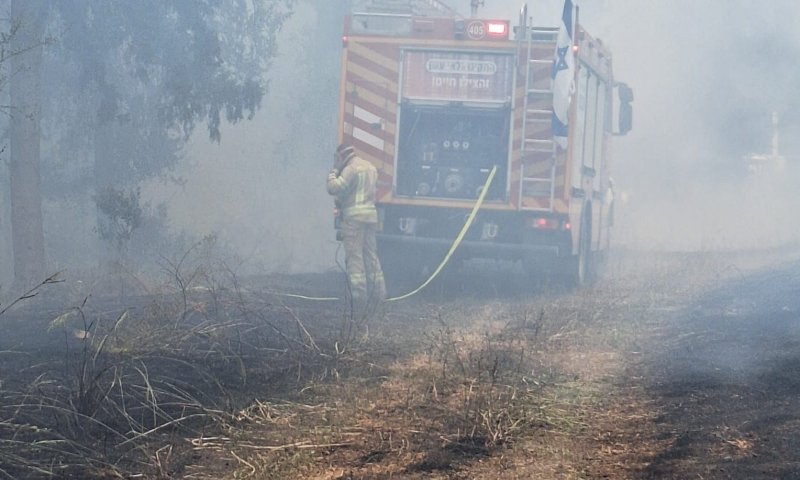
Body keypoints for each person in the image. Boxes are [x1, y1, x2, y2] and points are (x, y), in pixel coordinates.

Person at [326, 143, 386, 308]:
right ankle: (379, 295)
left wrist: (334, 171)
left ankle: (359, 298)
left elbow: (334, 188)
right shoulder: (370, 167)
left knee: (354, 257)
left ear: (341, 157)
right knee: (371, 255)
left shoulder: (351, 168)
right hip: (370, 218)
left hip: (353, 219)